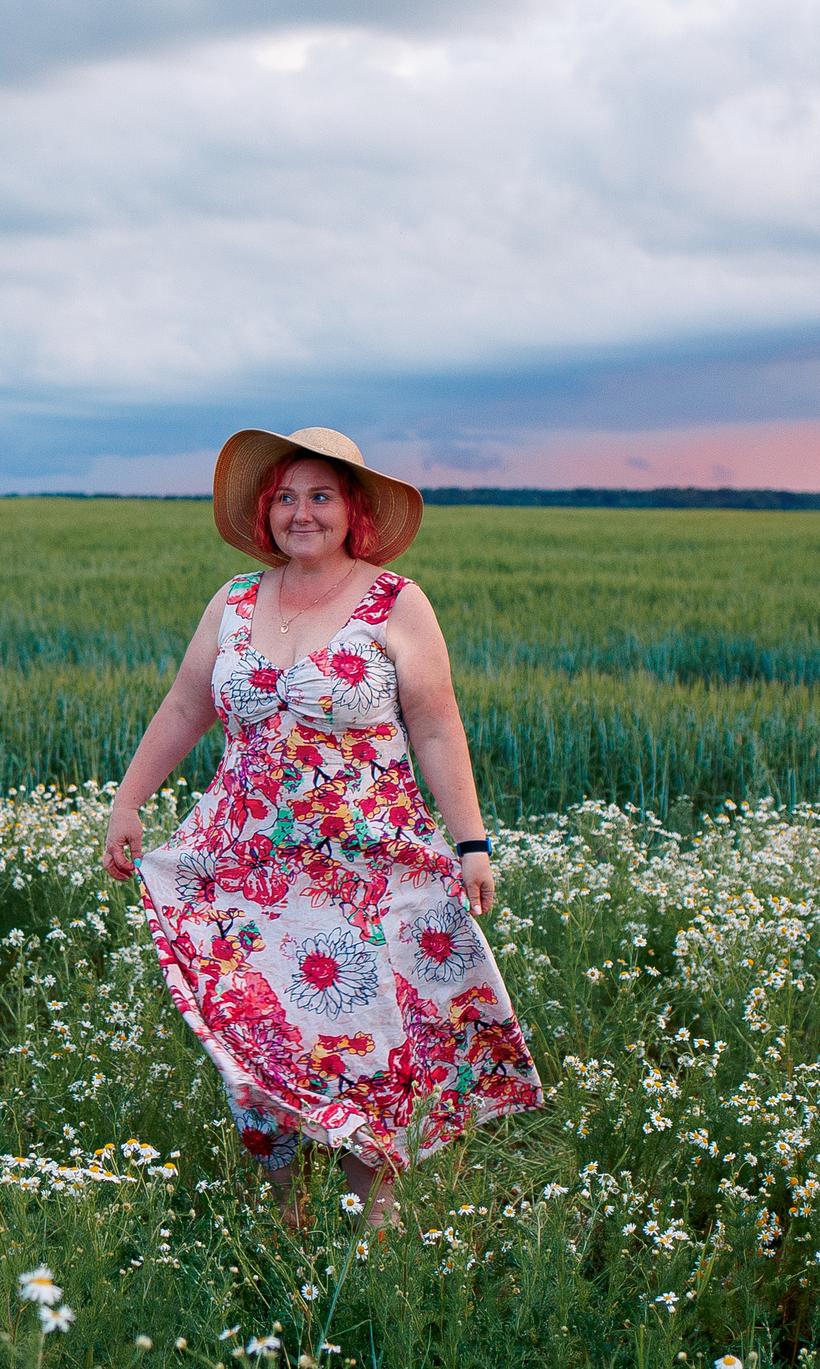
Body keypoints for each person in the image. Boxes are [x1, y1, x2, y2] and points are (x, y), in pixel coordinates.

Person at [103, 426, 543, 1229]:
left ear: (351, 510)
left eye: (320, 496)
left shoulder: (395, 602)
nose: (300, 513)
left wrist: (472, 843)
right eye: (285, 497)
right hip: (244, 873)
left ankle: (373, 1232)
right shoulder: (234, 599)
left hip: (367, 874)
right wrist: (129, 800)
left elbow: (439, 727)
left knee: (363, 1049)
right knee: (264, 1045)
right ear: (265, 511)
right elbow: (184, 705)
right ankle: (288, 1219)